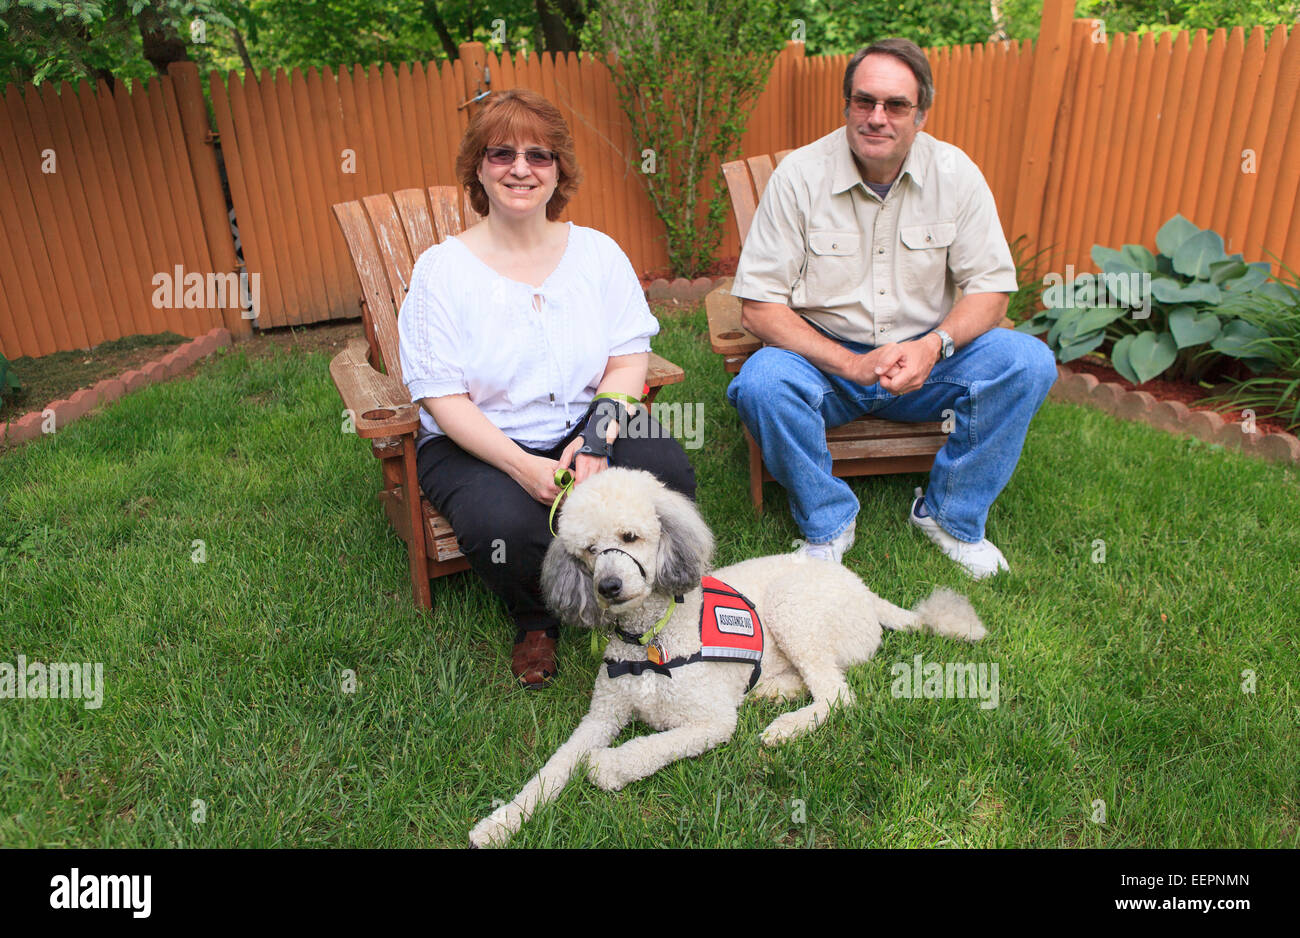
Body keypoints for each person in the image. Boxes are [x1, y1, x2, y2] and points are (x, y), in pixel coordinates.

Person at [726, 38, 1056, 579]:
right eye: (865, 101)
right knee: (762, 382)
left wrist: (934, 345)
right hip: (826, 365)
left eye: (896, 105)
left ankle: (950, 516)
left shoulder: (956, 175)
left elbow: (993, 289)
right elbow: (759, 308)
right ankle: (828, 522)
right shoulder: (800, 177)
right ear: (847, 105)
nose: (877, 117)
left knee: (1029, 362)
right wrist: (850, 364)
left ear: (921, 114)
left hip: (929, 363)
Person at [398, 89, 695, 687]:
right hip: (478, 439)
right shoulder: (442, 271)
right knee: (504, 526)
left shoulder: (596, 254)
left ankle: (648, 593)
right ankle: (537, 619)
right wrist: (521, 468)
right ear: (478, 169)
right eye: (501, 153)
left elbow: (628, 357)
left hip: (587, 419)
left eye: (539, 155)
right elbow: (441, 397)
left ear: (558, 170)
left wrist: (597, 442)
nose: (520, 168)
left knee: (668, 475)